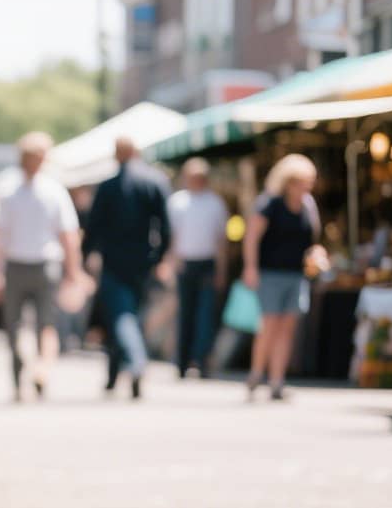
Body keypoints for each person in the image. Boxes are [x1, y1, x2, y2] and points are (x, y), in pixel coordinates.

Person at [0, 131, 85, 401]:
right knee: (45, 325)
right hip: (43, 265)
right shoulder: (53, 190)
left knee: (16, 327)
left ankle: (23, 378)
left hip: (21, 265)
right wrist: (74, 271)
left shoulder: (8, 188)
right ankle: (41, 368)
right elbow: (68, 236)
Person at [81, 136, 171, 400]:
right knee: (129, 317)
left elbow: (93, 226)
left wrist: (85, 256)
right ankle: (113, 376)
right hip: (143, 261)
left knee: (121, 317)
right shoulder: (155, 182)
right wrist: (160, 257)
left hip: (114, 261)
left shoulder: (109, 186)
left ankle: (136, 363)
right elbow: (165, 226)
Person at [242, 154, 324, 401]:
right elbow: (252, 237)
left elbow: (314, 240)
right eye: (301, 182)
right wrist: (250, 267)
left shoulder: (309, 206)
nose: (306, 187)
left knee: (287, 329)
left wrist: (318, 257)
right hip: (270, 273)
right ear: (288, 182)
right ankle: (256, 374)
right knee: (268, 325)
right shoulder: (270, 204)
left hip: (296, 274)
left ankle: (277, 380)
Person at [166, 157, 229, 377]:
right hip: (185, 262)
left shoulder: (215, 203)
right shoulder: (177, 202)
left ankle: (201, 360)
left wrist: (221, 269)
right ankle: (182, 361)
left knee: (205, 314)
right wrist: (172, 262)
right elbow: (172, 236)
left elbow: (221, 240)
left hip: (207, 262)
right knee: (185, 313)